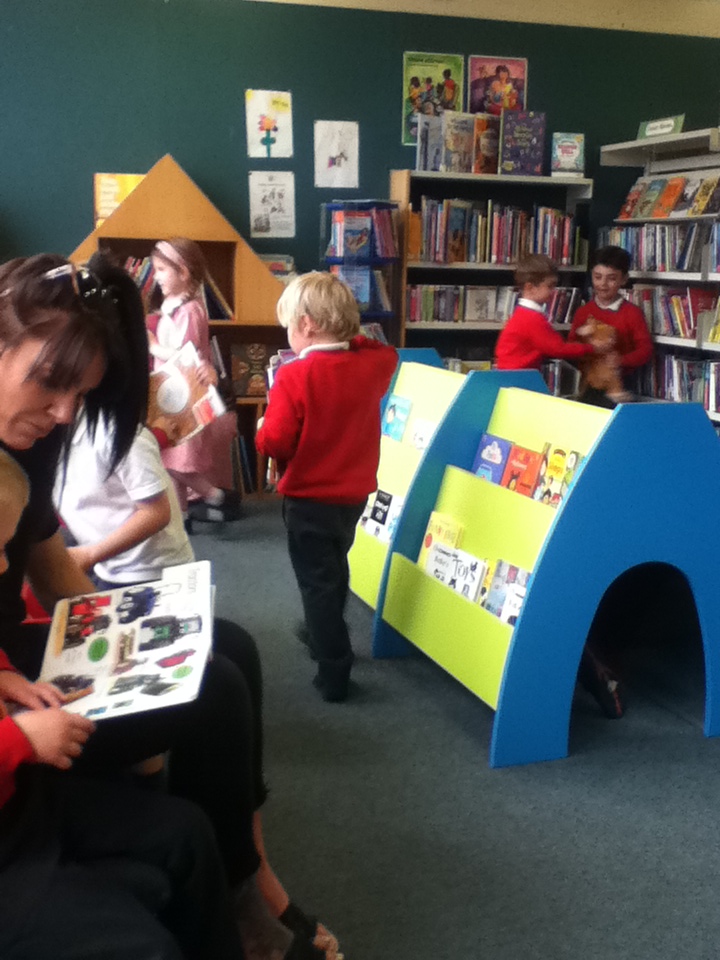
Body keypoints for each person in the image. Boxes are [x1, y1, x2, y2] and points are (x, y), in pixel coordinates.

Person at [0, 253, 337, 959]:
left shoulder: (30, 436)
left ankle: (244, 873)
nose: (64, 413)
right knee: (212, 689)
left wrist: (135, 636)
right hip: (16, 686)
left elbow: (48, 562)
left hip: (12, 660)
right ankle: (244, 895)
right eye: (52, 384)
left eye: (80, 395)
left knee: (225, 646)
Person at [0, 447, 253, 960]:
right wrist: (20, 739)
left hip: (21, 806)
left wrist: (3, 671)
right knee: (142, 947)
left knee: (187, 831)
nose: (6, 565)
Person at [256, 272, 397, 702]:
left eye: (289, 325)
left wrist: (261, 430)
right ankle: (322, 631)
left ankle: (333, 665)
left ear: (306, 324)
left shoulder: (294, 376)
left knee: (315, 580)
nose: (288, 335)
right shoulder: (371, 365)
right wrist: (349, 332)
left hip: (308, 498)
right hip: (353, 496)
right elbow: (384, 350)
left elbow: (276, 443)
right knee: (334, 567)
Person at [147, 237, 241, 526]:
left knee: (174, 461)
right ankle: (183, 517)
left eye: (162, 270)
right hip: (170, 393)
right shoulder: (173, 305)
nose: (156, 277)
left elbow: (183, 356)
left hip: (185, 396)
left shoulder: (190, 310)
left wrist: (152, 346)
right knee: (170, 459)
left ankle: (217, 496)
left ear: (184, 272)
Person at [54, 414, 193, 590]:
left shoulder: (115, 434)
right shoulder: (44, 443)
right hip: (105, 565)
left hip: (154, 569)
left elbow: (156, 513)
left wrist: (89, 554)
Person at [568, 245, 653, 407]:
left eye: (611, 278)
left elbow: (645, 350)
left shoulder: (632, 313)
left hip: (622, 385)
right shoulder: (583, 312)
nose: (603, 284)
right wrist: (588, 350)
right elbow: (571, 345)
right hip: (589, 383)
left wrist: (621, 360)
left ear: (624, 279)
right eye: (597, 277)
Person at [494, 254, 603, 371]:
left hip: (512, 374)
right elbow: (557, 348)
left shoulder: (523, 313)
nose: (553, 291)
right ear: (530, 288)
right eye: (550, 286)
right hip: (519, 377)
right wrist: (591, 348)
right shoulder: (531, 318)